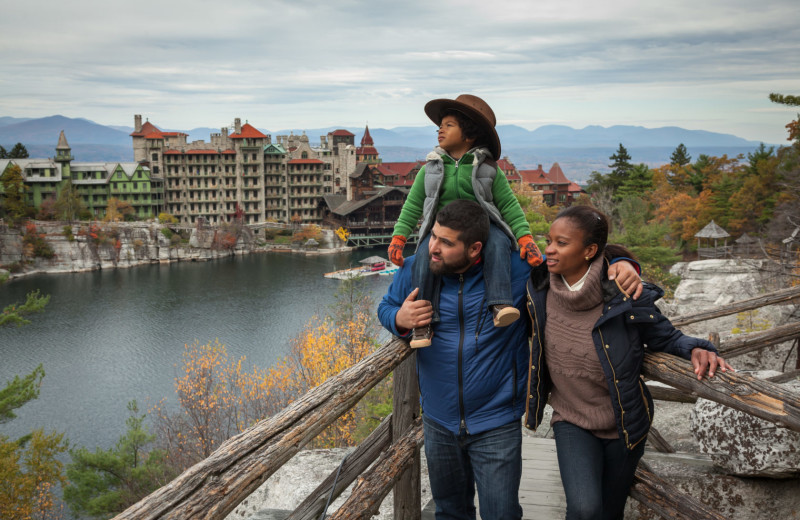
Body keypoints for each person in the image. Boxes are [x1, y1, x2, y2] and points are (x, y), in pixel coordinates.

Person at [378, 200, 643, 520]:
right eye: (433, 236)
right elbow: (386, 307)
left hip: (496, 421)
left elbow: (571, 258)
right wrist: (399, 318)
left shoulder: (515, 270)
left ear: (475, 248)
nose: (433, 247)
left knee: (501, 514)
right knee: (449, 512)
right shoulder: (418, 269)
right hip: (438, 419)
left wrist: (623, 262)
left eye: (446, 242)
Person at [524, 205, 734, 520]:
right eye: (549, 240)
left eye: (561, 243)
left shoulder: (625, 295)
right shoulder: (537, 288)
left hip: (624, 424)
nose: (549, 250)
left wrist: (698, 348)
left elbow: (667, 337)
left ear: (589, 250)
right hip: (571, 418)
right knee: (583, 509)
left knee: (609, 513)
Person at [386, 94, 544, 348]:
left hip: (482, 226)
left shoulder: (488, 169)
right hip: (442, 230)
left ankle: (499, 304)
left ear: (469, 134)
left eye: (449, 125)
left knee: (498, 244)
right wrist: (399, 238)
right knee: (425, 258)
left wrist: (524, 237)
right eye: (440, 125)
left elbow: (508, 205)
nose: (440, 130)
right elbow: (413, 205)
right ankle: (424, 320)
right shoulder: (431, 168)